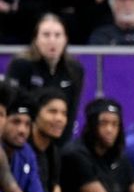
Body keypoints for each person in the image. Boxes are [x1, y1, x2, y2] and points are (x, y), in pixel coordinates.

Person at [6, 14, 84, 143]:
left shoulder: (74, 70)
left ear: (65, 39)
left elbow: (71, 113)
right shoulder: (21, 65)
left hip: (59, 140)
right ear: (36, 39)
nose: (52, 40)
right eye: (46, 35)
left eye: (57, 35)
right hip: (26, 138)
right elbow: (13, 107)